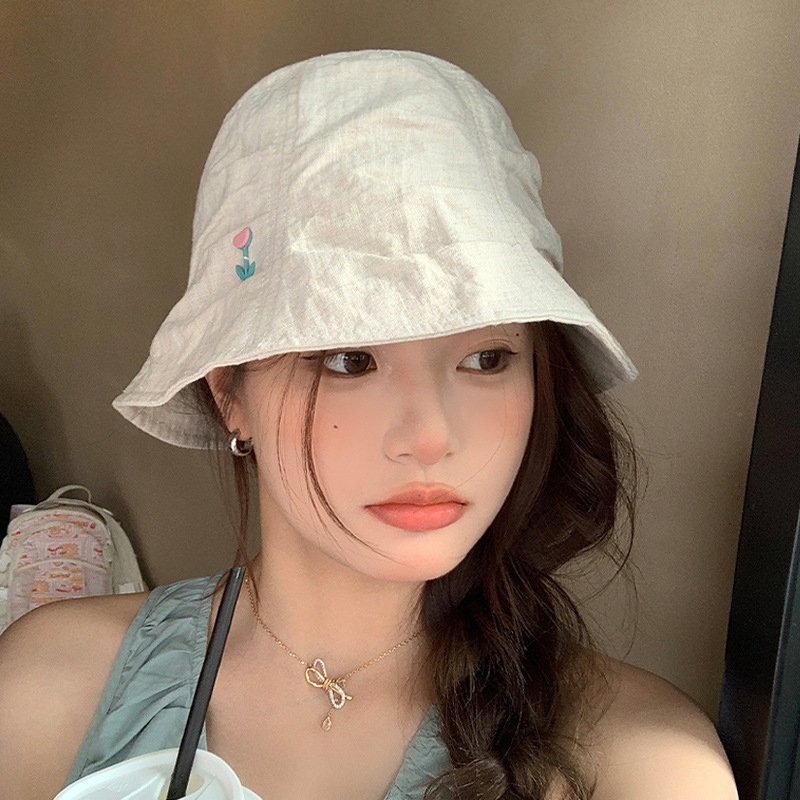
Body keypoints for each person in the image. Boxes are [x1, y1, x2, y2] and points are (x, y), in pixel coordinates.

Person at [0, 50, 737, 800]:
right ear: (230, 395)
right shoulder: (49, 690)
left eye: (486, 358)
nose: (430, 436)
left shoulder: (640, 764)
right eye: (350, 360)